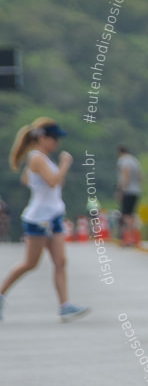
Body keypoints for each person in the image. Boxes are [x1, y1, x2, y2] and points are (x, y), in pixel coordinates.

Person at [0, 119, 89, 322]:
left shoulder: (43, 159)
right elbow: (52, 182)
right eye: (54, 138)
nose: (57, 143)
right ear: (42, 138)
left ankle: (65, 305)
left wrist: (50, 175)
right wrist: (65, 165)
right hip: (39, 218)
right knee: (31, 263)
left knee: (60, 261)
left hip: (53, 214)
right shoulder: (37, 158)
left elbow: (29, 179)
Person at [116, 145, 143, 245]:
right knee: (131, 214)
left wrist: (122, 189)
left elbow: (125, 172)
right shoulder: (135, 161)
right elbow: (141, 176)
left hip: (128, 190)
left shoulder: (123, 160)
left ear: (120, 152)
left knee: (126, 214)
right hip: (136, 190)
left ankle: (128, 238)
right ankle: (134, 236)